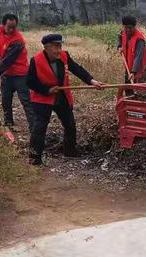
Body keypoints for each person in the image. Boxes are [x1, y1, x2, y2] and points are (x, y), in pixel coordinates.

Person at [27, 34, 103, 165]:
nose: (59, 50)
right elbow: (30, 82)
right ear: (46, 47)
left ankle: (70, 152)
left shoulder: (64, 56)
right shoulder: (36, 60)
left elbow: (77, 70)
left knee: (70, 125)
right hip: (42, 99)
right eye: (56, 47)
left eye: (60, 46)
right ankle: (35, 159)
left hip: (61, 96)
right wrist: (47, 90)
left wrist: (91, 81)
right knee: (39, 128)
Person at [117, 15, 146, 83]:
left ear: (134, 27)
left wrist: (133, 72)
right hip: (128, 66)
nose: (128, 30)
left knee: (140, 91)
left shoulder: (139, 39)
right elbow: (119, 36)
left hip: (140, 69)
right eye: (126, 27)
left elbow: (138, 57)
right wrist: (119, 46)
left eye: (130, 28)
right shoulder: (123, 32)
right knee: (128, 88)